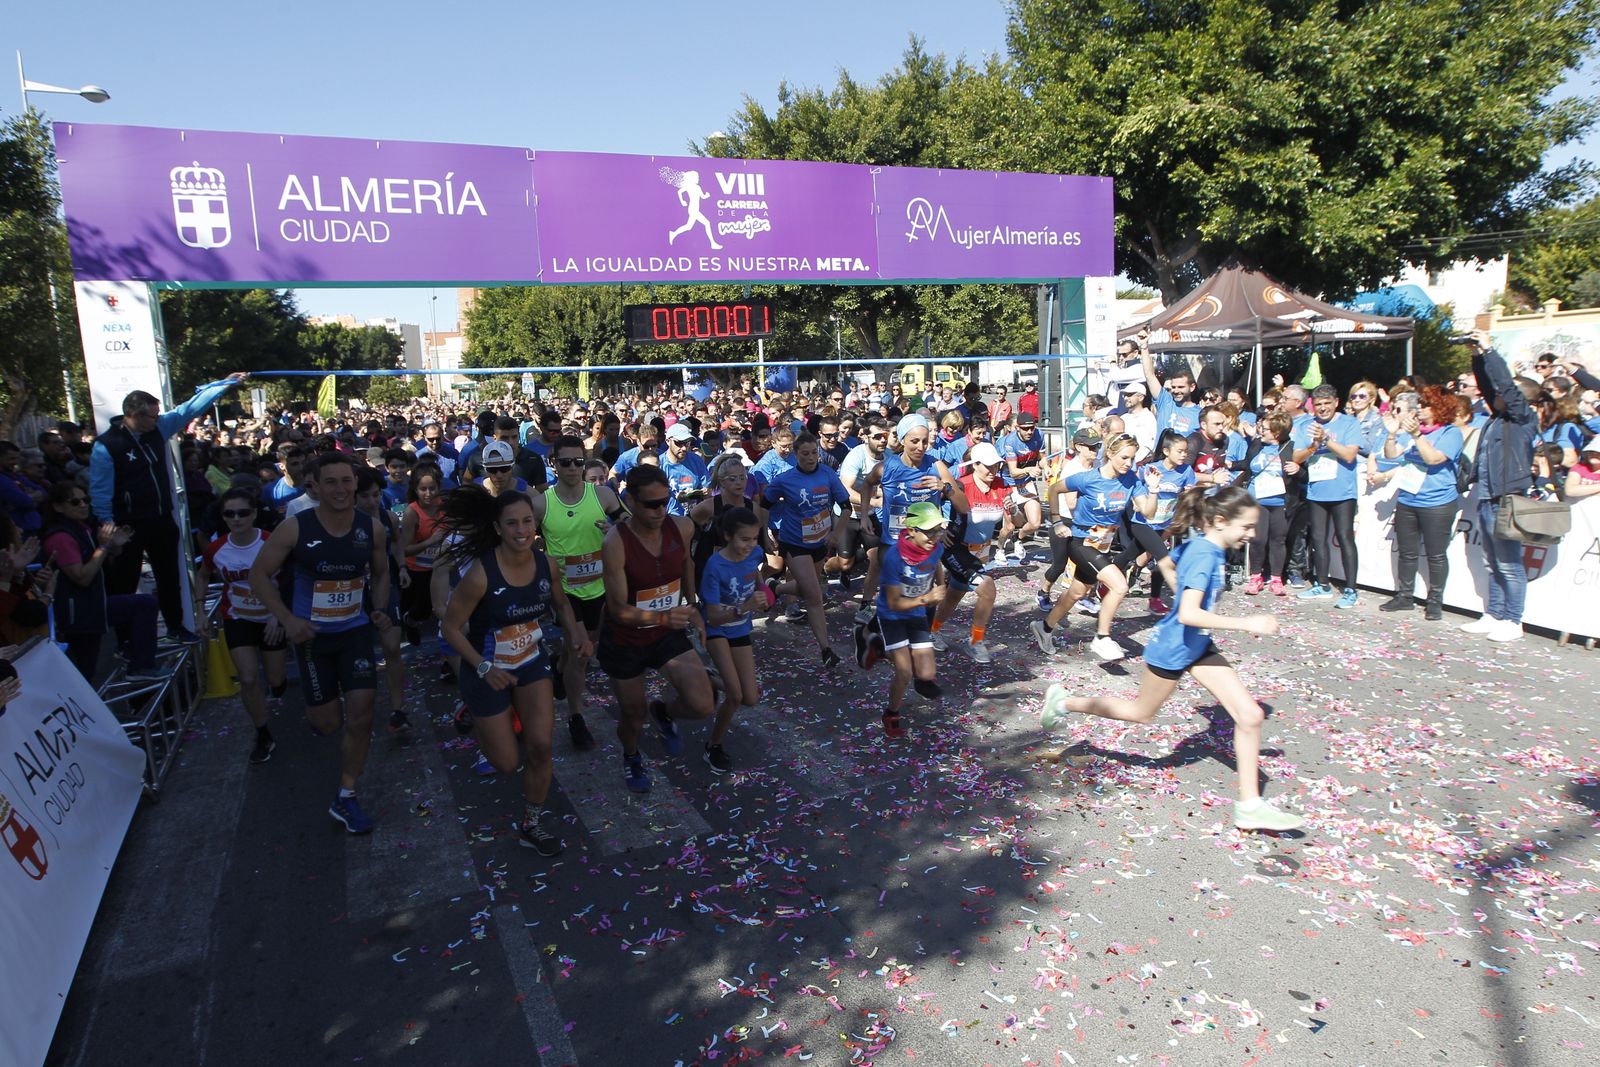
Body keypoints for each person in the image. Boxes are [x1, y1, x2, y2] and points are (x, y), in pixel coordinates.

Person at [1040, 484, 1305, 833]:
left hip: (1198, 645)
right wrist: (1247, 623)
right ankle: (1064, 702)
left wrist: (1175, 579)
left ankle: (1249, 807)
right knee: (1140, 713)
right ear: (1221, 521)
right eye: (1246, 526)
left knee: (1250, 715)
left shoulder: (1205, 546)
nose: (1252, 534)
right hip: (1173, 648)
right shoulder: (1205, 554)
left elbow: (1169, 565)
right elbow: (1189, 614)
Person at [249, 452, 394, 834]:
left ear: (356, 483)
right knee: (328, 723)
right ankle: (322, 717)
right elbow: (259, 575)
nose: (340, 489)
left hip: (355, 632)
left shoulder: (371, 528)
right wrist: (288, 620)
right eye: (331, 482)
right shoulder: (295, 528)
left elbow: (381, 573)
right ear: (314, 486)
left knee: (362, 713)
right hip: (312, 638)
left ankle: (346, 794)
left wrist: (379, 608)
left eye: (346, 481)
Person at [439, 486, 587, 856]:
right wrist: (483, 666)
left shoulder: (545, 564)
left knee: (540, 746)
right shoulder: (480, 574)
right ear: (497, 527)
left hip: (531, 662)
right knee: (506, 762)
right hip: (486, 669)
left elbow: (561, 603)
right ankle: (475, 712)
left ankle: (531, 823)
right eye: (512, 523)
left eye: (527, 522)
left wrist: (575, 637)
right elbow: (450, 628)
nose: (521, 530)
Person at [89, 374, 249, 644]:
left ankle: (176, 627)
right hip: (127, 524)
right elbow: (100, 490)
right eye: (152, 416)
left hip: (160, 518)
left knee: (169, 577)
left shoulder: (158, 429)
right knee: (124, 582)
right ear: (134, 415)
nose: (158, 420)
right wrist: (108, 525)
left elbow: (189, 409)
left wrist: (224, 384)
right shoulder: (107, 445)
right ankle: (124, 641)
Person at [598, 465, 716, 794]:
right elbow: (618, 610)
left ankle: (663, 711)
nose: (660, 510)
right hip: (626, 639)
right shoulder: (615, 542)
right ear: (631, 502)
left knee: (702, 703)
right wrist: (665, 618)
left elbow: (687, 563)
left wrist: (692, 604)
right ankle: (631, 755)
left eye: (665, 502)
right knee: (632, 715)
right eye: (651, 504)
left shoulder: (682, 527)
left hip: (665, 632)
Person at [1029, 432, 1162, 662]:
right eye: (1124, 457)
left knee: (1076, 593)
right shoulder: (1088, 478)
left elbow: (1148, 513)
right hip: (1081, 543)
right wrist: (1057, 521)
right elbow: (1054, 489)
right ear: (1109, 453)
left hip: (1103, 546)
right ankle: (1102, 637)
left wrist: (1153, 490)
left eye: (1132, 458)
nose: (1128, 463)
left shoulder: (1131, 480)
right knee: (1119, 586)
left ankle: (1045, 627)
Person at [532, 435, 627, 751]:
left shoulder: (602, 495)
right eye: (565, 462)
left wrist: (616, 530)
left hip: (599, 587)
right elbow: (520, 538)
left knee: (586, 644)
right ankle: (576, 717)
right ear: (554, 465)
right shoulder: (542, 503)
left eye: (577, 462)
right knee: (580, 651)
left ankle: (558, 666)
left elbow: (630, 524)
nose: (572, 468)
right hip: (564, 590)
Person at [195, 486, 287, 762]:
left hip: (271, 618)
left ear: (254, 514)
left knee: (275, 679)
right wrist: (200, 609)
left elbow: (287, 581)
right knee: (247, 678)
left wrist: (278, 616)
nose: (236, 519)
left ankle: (277, 687)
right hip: (238, 617)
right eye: (229, 514)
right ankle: (263, 734)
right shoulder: (217, 548)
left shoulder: (271, 542)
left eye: (243, 513)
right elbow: (203, 574)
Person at [41, 482, 164, 684]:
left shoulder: (83, 528)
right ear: (58, 507)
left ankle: (138, 661)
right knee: (85, 676)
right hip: (77, 614)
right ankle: (137, 663)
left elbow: (99, 566)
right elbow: (83, 577)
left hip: (92, 605)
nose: (83, 505)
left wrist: (114, 547)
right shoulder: (61, 537)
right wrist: (104, 547)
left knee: (145, 604)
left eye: (86, 500)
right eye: (75, 502)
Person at [1460, 335, 1538, 642]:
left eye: (1507, 392)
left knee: (1509, 563)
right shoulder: (1498, 418)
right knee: (1492, 562)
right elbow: (1489, 385)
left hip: (1507, 498)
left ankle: (1513, 619)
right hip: (1488, 495)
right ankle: (1494, 614)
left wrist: (1490, 350)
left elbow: (1504, 384)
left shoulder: (1522, 419)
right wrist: (1477, 357)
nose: (1498, 394)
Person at [1375, 386, 1463, 620]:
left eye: (1426, 405)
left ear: (1440, 408)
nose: (1420, 408)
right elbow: (1391, 454)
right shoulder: (1414, 429)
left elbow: (1433, 459)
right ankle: (1405, 596)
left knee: (1436, 554)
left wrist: (1417, 436)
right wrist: (1392, 434)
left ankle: (1435, 601)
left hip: (1437, 502)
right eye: (1420, 404)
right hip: (1408, 499)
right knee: (1407, 552)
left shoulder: (1450, 433)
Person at [762, 431, 849, 665]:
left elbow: (846, 506)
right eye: (804, 454)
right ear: (796, 454)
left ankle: (776, 588)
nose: (810, 458)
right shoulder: (785, 479)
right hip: (794, 542)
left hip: (820, 542)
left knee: (808, 587)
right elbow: (763, 505)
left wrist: (836, 533)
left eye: (813, 453)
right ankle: (826, 649)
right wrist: (763, 533)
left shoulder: (827, 474)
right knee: (813, 594)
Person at [696, 507, 769, 772]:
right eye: (744, 539)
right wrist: (744, 607)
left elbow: (756, 574)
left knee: (750, 698)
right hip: (717, 630)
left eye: (754, 538)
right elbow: (714, 617)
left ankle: (708, 678)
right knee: (735, 696)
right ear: (728, 536)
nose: (750, 545)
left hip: (739, 629)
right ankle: (713, 746)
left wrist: (763, 592)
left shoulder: (755, 553)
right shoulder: (715, 566)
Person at [871, 502, 950, 739]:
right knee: (905, 673)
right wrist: (927, 598)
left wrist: (941, 584)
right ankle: (891, 713)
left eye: (938, 530)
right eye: (928, 531)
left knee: (925, 675)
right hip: (892, 616)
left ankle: (879, 648)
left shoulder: (935, 547)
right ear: (912, 530)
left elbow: (935, 563)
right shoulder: (894, 558)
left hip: (917, 613)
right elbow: (894, 603)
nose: (934, 537)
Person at [1291, 384, 1364, 608]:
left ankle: (1350, 589)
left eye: (1327, 404)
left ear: (1336, 403)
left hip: (1343, 491)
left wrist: (1326, 440)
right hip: (1316, 491)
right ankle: (1322, 585)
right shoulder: (1306, 425)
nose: (1323, 408)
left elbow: (1350, 455)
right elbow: (1296, 458)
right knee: (1318, 539)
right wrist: (1313, 446)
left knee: (1344, 537)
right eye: (1318, 404)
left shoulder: (1349, 423)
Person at [934, 442, 1006, 663]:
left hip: (980, 551)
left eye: (996, 465)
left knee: (954, 594)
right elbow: (927, 503)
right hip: (954, 547)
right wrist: (938, 528)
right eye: (988, 466)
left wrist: (1014, 513)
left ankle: (931, 630)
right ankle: (975, 641)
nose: (993, 471)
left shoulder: (1001, 485)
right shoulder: (960, 486)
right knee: (988, 589)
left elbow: (1018, 521)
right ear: (975, 465)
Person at [355, 467, 411, 731]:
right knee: (361, 654)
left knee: (392, 647)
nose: (371, 501)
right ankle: (360, 705)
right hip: (356, 591)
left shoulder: (387, 516)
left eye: (376, 495)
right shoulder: (347, 522)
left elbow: (398, 542)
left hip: (387, 586)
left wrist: (402, 567)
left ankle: (398, 709)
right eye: (365, 496)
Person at [1119, 430, 1194, 614]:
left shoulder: (1187, 471)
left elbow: (1188, 496)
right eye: (1179, 451)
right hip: (1142, 522)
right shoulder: (1150, 469)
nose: (1184, 455)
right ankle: (1157, 600)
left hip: (1163, 524)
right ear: (1166, 451)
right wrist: (1136, 502)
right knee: (1164, 558)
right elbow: (1133, 485)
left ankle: (1118, 570)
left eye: (1186, 451)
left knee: (1129, 555)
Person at [1240, 412, 1299, 595]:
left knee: (1278, 539)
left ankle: (1276, 578)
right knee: (1258, 539)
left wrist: (1297, 469)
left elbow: (1303, 475)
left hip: (1279, 501)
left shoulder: (1290, 447)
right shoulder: (1257, 444)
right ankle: (1256, 576)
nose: (1261, 432)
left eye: (1265, 429)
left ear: (1277, 433)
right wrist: (1229, 464)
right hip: (1257, 500)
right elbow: (1246, 464)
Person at [399, 464, 447, 662]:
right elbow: (404, 549)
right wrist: (430, 541)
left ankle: (448, 647)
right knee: (423, 610)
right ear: (415, 490)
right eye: (423, 489)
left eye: (432, 488)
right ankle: (410, 621)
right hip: (418, 569)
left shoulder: (445, 507)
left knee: (443, 607)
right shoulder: (412, 512)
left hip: (441, 566)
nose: (428, 494)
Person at [997, 409, 1046, 559]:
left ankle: (1018, 538)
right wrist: (1029, 469)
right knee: (1010, 526)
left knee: (1035, 523)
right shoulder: (1010, 441)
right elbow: (1013, 472)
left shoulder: (1039, 434)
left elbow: (1042, 458)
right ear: (1017, 428)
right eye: (1025, 429)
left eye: (1032, 428)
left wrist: (1047, 467)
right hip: (1009, 483)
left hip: (1026, 483)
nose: (1029, 432)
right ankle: (999, 549)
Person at [660, 423, 711, 515]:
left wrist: (705, 492)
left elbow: (707, 487)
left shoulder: (696, 460)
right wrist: (677, 498)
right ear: (668, 441)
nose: (684, 448)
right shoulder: (659, 464)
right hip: (669, 517)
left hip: (696, 515)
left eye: (687, 443)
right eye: (679, 443)